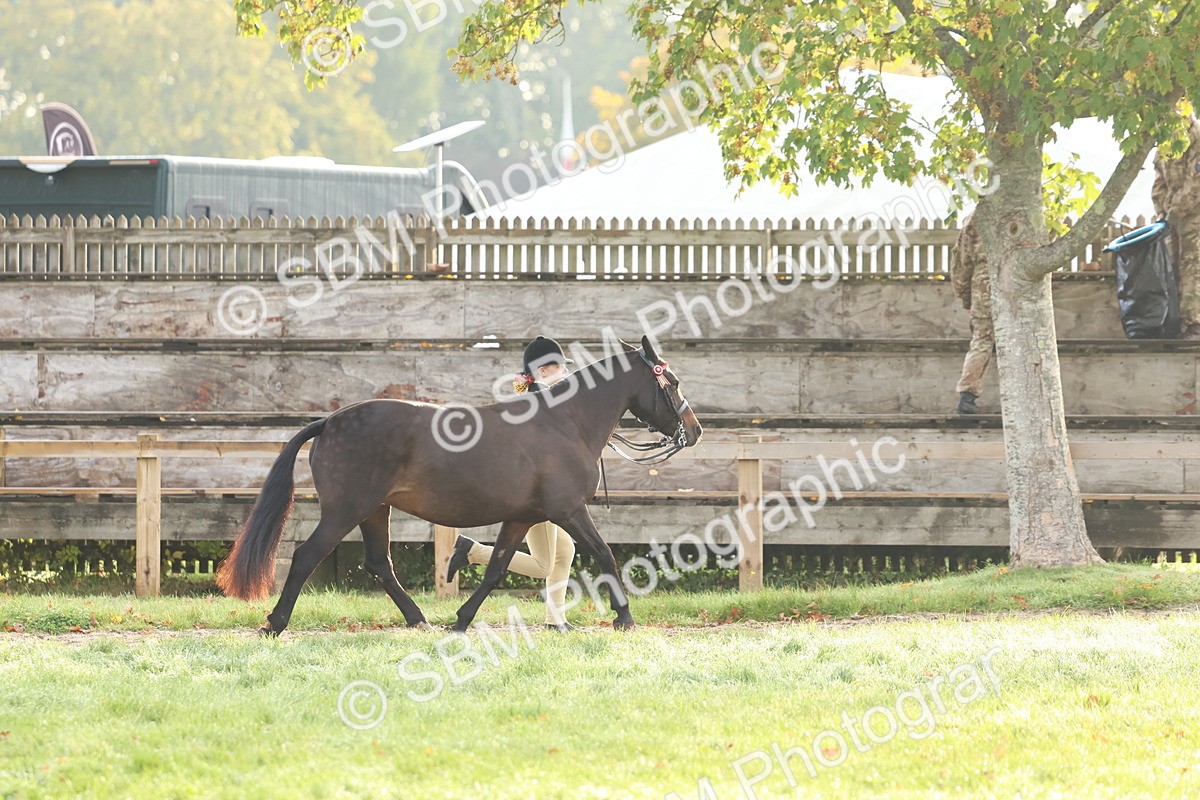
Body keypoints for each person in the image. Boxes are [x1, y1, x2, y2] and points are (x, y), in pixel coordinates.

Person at [445, 335, 579, 631]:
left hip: (540, 493)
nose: (568, 373)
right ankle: (473, 552)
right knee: (545, 565)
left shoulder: (539, 401)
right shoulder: (539, 404)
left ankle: (555, 620)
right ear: (543, 371)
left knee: (565, 551)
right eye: (562, 368)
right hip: (538, 498)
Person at [1151, 115, 1200, 340]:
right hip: (1171, 216)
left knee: (1193, 266)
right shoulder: (1165, 137)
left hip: (1194, 215)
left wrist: (1174, 210)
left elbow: (1196, 182)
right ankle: (1174, 323)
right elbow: (1159, 176)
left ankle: (1192, 324)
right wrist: (1161, 207)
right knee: (1171, 267)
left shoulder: (1196, 137)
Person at [950, 212, 992, 413]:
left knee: (982, 340)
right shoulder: (1033, 207)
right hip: (1020, 284)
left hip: (985, 284)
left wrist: (965, 296)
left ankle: (967, 397)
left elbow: (962, 260)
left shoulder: (978, 216)